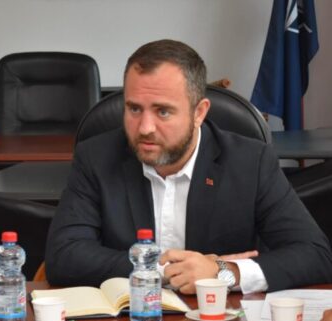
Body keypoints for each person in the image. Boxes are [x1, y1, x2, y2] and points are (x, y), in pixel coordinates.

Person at [45, 39, 332, 294]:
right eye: (134, 109)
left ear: (199, 113)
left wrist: (223, 272)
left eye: (163, 111)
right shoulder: (96, 157)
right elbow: (64, 256)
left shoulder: (250, 161)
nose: (144, 128)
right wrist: (163, 270)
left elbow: (315, 254)